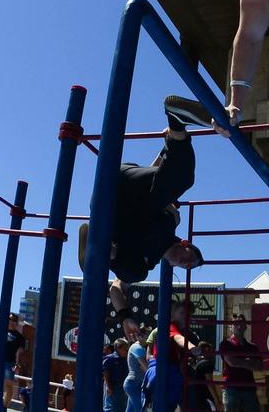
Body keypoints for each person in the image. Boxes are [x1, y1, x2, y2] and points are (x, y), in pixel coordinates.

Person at [77, 97, 212, 313]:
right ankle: (177, 123)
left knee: (137, 273)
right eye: (190, 256)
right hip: (121, 184)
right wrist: (166, 149)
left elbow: (116, 288)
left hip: (108, 215)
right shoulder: (171, 222)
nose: (185, 261)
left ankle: (99, 247)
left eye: (187, 266)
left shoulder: (148, 262)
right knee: (180, 181)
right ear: (185, 242)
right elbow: (153, 184)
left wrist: (125, 317)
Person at [218, 312, 265, 411]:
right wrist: (249, 362)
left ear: (246, 326)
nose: (239, 326)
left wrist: (240, 362)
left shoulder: (252, 347)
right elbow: (232, 362)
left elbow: (260, 366)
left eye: (242, 324)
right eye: (236, 324)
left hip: (248, 388)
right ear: (231, 326)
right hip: (231, 387)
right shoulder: (225, 343)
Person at [0, 313, 27, 407]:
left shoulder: (20, 337)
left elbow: (22, 353)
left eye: (13, 320)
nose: (11, 322)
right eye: (9, 319)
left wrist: (18, 364)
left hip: (10, 363)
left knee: (8, 386)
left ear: (16, 323)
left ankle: (4, 406)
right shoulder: (1, 329)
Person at [187, 339, 222, 411]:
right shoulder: (207, 364)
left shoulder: (196, 364)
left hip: (194, 397)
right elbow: (209, 383)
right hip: (205, 397)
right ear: (206, 350)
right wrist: (217, 399)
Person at [124, 322, 150, 412]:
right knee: (141, 410)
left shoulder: (140, 348)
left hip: (134, 384)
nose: (150, 338)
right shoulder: (137, 348)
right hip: (133, 384)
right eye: (148, 336)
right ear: (140, 336)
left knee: (130, 410)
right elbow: (146, 367)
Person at [103, 337, 129, 412]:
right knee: (111, 407)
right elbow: (106, 372)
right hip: (113, 386)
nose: (127, 351)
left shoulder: (126, 359)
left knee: (121, 407)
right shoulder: (110, 359)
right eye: (125, 349)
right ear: (118, 348)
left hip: (123, 387)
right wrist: (109, 387)